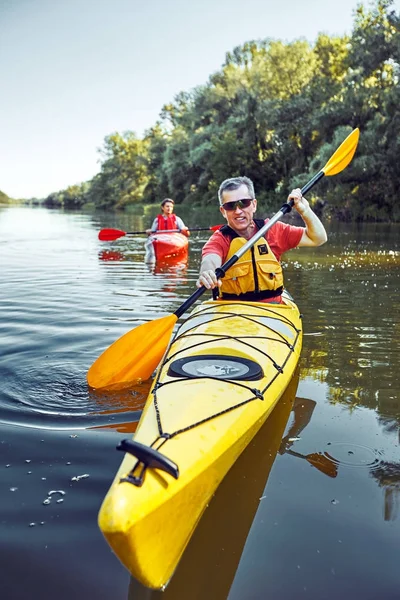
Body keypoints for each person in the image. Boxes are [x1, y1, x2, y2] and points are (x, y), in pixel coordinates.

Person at [196, 176, 327, 303]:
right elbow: (210, 260)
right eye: (230, 206)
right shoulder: (220, 239)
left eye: (243, 203)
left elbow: (318, 238)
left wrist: (305, 210)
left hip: (273, 310)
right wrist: (207, 273)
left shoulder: (273, 230)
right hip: (232, 313)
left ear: (254, 205)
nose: (238, 211)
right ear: (223, 211)